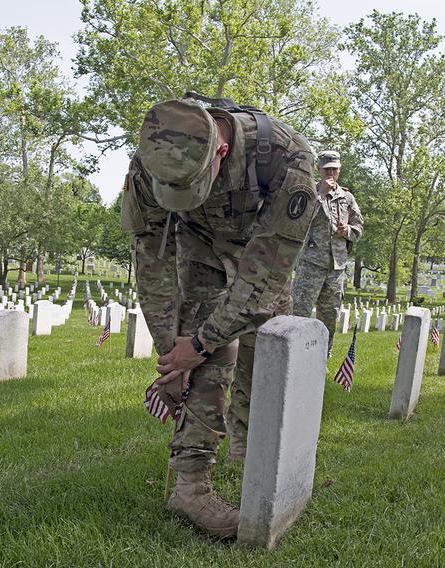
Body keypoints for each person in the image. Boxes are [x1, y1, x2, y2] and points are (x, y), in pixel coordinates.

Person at [121, 96, 316, 538]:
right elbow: (151, 260)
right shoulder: (154, 157)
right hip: (202, 248)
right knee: (205, 361)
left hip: (262, 253)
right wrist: (173, 353)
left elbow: (263, 275)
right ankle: (189, 486)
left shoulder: (289, 159)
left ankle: (258, 466)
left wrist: (202, 342)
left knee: (264, 360)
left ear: (221, 152)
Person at [290, 150, 363, 355]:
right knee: (300, 312)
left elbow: (359, 227)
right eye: (327, 169)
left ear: (340, 170)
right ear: (318, 170)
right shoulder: (309, 193)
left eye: (335, 169)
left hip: (336, 267)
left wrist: (347, 230)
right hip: (311, 264)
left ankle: (323, 356)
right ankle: (294, 354)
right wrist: (320, 194)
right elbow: (299, 221)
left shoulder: (347, 197)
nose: (331, 173)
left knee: (330, 315)